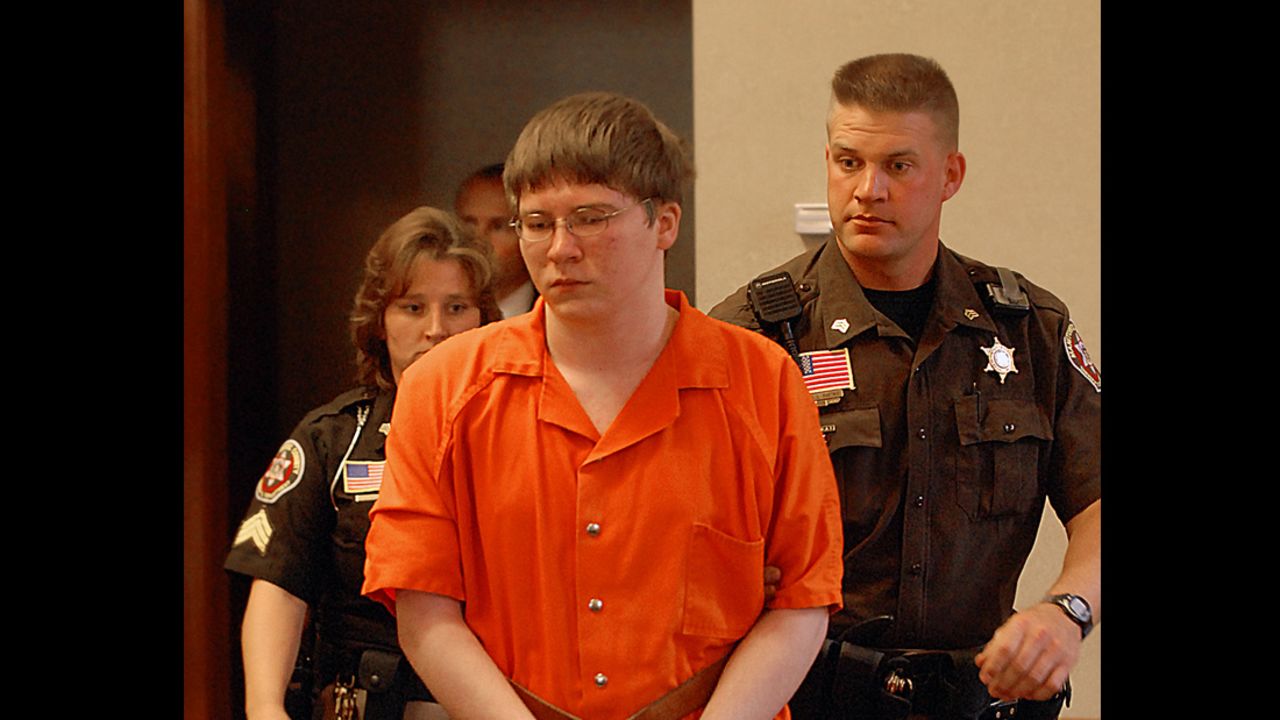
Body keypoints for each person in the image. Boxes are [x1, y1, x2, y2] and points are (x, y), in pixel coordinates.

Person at [361, 91, 845, 720]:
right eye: (536, 223)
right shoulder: (443, 388)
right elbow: (424, 608)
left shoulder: (762, 381)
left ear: (663, 222)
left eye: (590, 217)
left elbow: (804, 597)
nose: (560, 248)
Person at [709, 53, 1101, 720]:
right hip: (809, 699)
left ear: (950, 175)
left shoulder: (1028, 328)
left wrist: (1068, 611)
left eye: (898, 165)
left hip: (983, 701)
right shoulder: (752, 336)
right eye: (847, 162)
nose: (868, 189)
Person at [225, 206, 501, 720]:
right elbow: (281, 583)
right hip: (367, 698)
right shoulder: (333, 436)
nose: (437, 330)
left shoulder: (520, 430)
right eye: (413, 308)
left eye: (457, 307)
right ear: (380, 322)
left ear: (486, 318)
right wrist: (264, 705)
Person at [455, 162, 537, 318]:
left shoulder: (553, 313)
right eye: (469, 224)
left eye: (498, 226)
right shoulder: (440, 316)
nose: (479, 240)